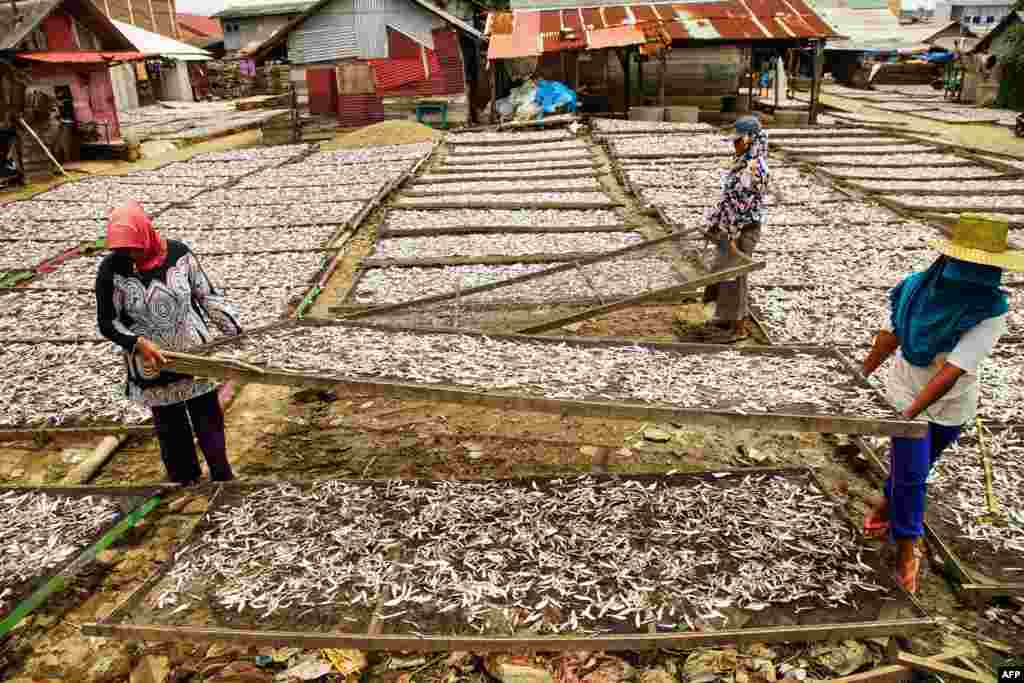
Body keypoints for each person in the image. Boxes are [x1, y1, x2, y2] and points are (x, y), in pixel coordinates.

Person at [861, 214, 1023, 594]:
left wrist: (912, 413)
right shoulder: (916, 289)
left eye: (984, 268)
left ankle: (886, 507)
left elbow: (952, 371)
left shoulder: (990, 311)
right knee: (913, 476)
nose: (975, 277)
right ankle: (907, 551)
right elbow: (892, 335)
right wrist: (859, 376)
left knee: (913, 470)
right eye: (970, 265)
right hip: (904, 390)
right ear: (950, 260)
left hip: (951, 405)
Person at [96, 201, 243, 485]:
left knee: (207, 417)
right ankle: (185, 482)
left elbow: (207, 295)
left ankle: (222, 478)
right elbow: (107, 321)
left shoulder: (179, 253)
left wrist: (234, 329)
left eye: (135, 248)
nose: (131, 255)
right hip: (151, 363)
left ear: (146, 234)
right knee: (170, 426)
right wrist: (137, 342)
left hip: (196, 355)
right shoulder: (111, 270)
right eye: (124, 250)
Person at [703, 115, 770, 342]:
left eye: (738, 140)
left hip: (743, 229)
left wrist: (731, 236)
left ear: (750, 139)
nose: (735, 143)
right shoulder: (742, 161)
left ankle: (739, 327)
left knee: (736, 276)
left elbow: (742, 206)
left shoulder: (754, 168)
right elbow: (728, 199)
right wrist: (715, 222)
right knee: (722, 271)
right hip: (730, 227)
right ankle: (724, 317)